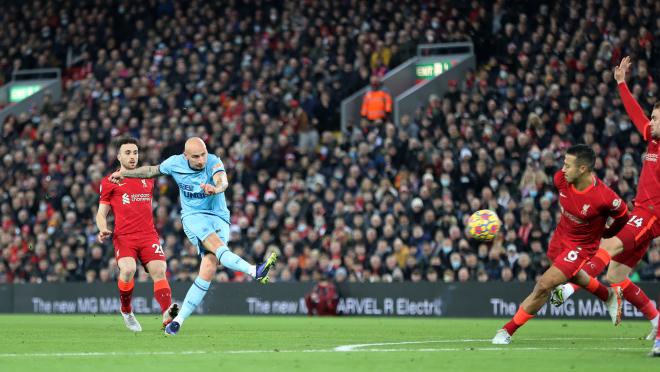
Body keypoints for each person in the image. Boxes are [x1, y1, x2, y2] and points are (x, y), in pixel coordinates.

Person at [109, 137, 277, 335]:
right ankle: (254, 271)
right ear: (185, 156)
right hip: (193, 217)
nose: (201, 160)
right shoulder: (175, 163)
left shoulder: (214, 161)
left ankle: (176, 322)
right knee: (216, 246)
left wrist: (216, 188)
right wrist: (126, 174)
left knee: (209, 266)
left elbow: (222, 181)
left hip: (220, 217)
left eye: (203, 154)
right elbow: (150, 170)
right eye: (196, 157)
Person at [550, 57, 660, 340]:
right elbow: (637, 116)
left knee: (608, 244)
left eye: (657, 117)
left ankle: (569, 288)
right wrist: (622, 83)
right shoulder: (653, 138)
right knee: (615, 276)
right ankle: (655, 318)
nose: (652, 121)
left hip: (653, 215)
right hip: (641, 213)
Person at [492, 145, 627, 344]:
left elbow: (623, 216)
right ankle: (607, 295)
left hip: (581, 247)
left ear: (582, 169)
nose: (562, 169)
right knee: (572, 275)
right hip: (560, 238)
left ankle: (507, 331)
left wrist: (606, 233)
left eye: (567, 165)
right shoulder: (561, 180)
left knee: (544, 285)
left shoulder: (604, 197)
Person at [96, 137, 178, 332]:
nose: (132, 156)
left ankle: (167, 314)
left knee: (159, 270)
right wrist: (102, 227)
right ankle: (126, 311)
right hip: (124, 236)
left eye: (135, 152)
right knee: (128, 270)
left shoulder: (147, 178)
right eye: (127, 153)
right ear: (118, 156)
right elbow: (101, 213)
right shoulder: (110, 181)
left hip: (148, 235)